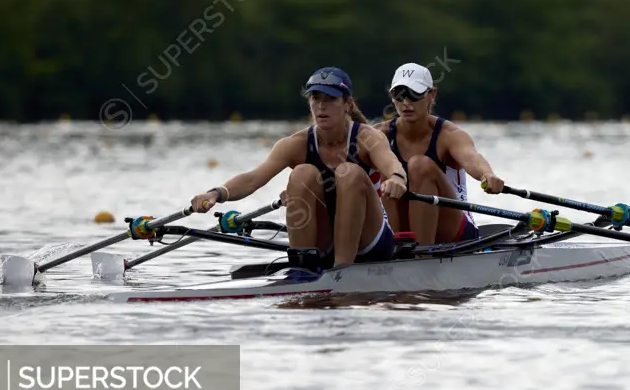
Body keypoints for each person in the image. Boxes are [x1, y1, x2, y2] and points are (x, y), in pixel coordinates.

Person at [189, 67, 408, 268]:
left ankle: (342, 269)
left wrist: (397, 178)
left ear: (348, 104)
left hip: (371, 241)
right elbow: (252, 179)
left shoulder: (367, 137)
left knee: (348, 172)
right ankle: (302, 266)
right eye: (315, 98)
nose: (321, 105)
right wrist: (216, 193)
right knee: (302, 174)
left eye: (330, 99)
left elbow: (390, 163)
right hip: (325, 241)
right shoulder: (295, 144)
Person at [374, 62, 504, 245]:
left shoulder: (449, 135)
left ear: (432, 94)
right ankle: (398, 251)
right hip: (400, 228)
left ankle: (421, 256)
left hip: (453, 230)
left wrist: (487, 174)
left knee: (419, 165)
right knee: (388, 176)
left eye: (414, 94)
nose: (406, 103)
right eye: (399, 95)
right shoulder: (378, 135)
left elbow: (472, 157)